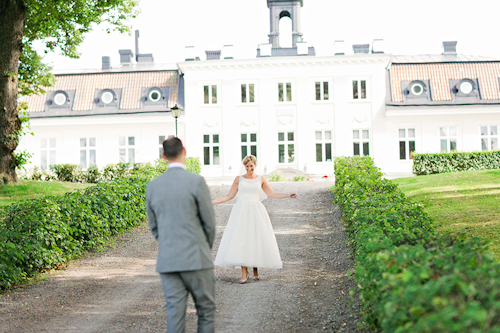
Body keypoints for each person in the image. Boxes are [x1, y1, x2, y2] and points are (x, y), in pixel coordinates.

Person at [146, 137, 216, 333]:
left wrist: (169, 246)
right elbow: (209, 224)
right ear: (184, 150)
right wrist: (203, 248)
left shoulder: (152, 186)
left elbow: (155, 227)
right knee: (206, 311)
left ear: (163, 156)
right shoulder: (196, 182)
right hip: (197, 258)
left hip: (169, 261)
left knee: (175, 315)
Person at [212, 155, 299, 283]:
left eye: (251, 166)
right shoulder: (239, 179)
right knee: (241, 238)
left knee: (255, 237)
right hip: (241, 210)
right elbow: (229, 196)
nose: (249, 169)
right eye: (247, 166)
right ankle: (244, 272)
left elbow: (272, 194)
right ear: (244, 167)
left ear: (255, 165)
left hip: (256, 210)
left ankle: (255, 269)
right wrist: (212, 202)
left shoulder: (261, 179)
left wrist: (288, 195)